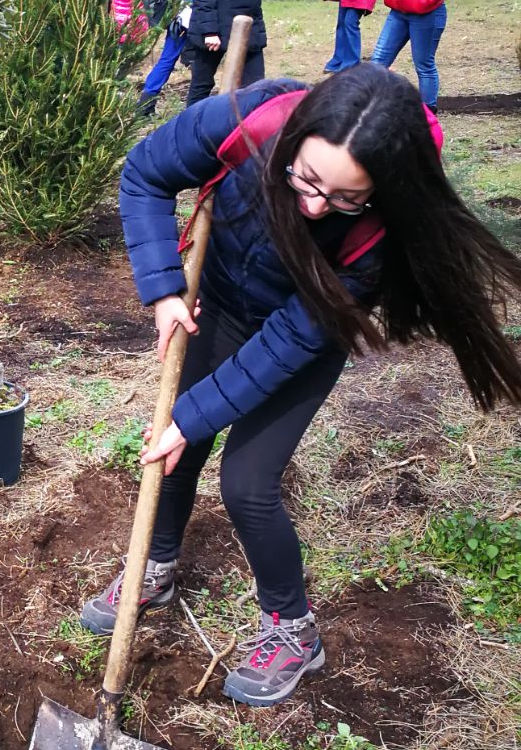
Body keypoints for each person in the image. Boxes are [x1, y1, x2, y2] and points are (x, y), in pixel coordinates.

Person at [81, 66, 521, 705]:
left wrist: (197, 410)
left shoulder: (378, 231)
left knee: (248, 484)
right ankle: (156, 567)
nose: (315, 206)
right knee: (172, 447)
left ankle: (293, 631)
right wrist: (164, 290)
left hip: (306, 329)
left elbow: (292, 339)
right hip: (220, 302)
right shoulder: (246, 122)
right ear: (295, 137)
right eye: (307, 179)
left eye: (345, 197)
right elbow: (145, 173)